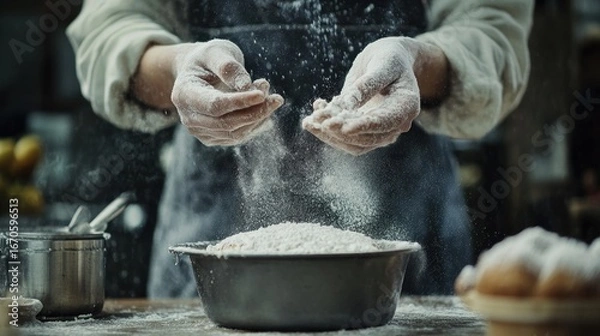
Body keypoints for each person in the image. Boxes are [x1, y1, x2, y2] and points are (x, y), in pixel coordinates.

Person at [67, 0, 533, 297]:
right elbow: (111, 27)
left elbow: (491, 29)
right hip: (214, 252)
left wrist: (415, 61)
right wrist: (179, 68)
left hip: (406, 246)